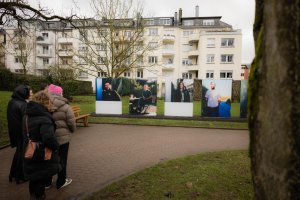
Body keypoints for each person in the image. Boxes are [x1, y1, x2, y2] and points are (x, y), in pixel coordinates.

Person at [23, 91, 61, 200]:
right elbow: (48, 138)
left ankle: (33, 196)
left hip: (29, 150)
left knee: (33, 179)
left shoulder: (26, 116)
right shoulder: (44, 118)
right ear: (46, 102)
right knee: (40, 179)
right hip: (41, 153)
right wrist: (56, 146)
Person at [47, 84, 76, 190]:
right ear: (59, 93)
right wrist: (71, 131)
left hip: (48, 138)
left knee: (48, 159)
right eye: (61, 92)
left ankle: (47, 182)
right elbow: (71, 122)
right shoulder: (66, 106)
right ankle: (61, 181)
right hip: (63, 139)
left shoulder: (44, 105)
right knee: (62, 160)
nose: (63, 93)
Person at [7, 84, 30, 184]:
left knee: (18, 153)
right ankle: (20, 176)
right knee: (22, 154)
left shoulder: (12, 102)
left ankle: (13, 174)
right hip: (22, 133)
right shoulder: (22, 104)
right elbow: (26, 121)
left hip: (14, 132)